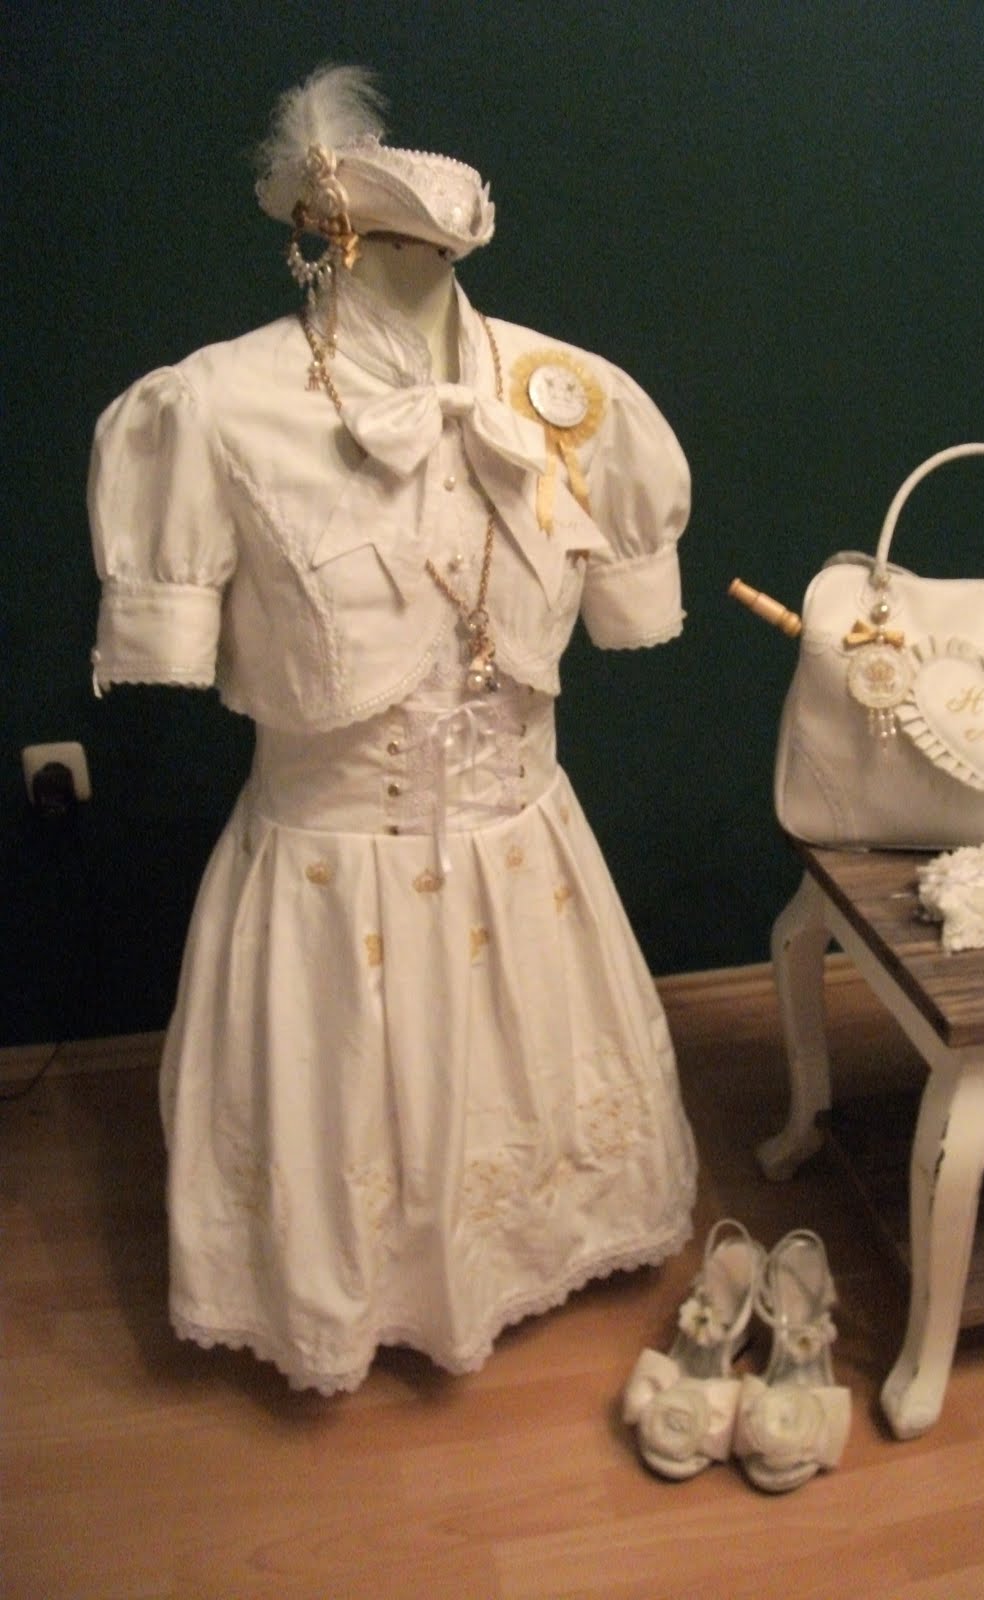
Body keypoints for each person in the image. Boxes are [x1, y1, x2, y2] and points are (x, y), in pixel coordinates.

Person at [87, 66, 697, 1393]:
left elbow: (629, 608)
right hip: (322, 884)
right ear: (333, 241)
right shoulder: (210, 410)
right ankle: (339, 1296)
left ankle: (535, 1244)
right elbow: (170, 643)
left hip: (527, 861)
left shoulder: (573, 395)